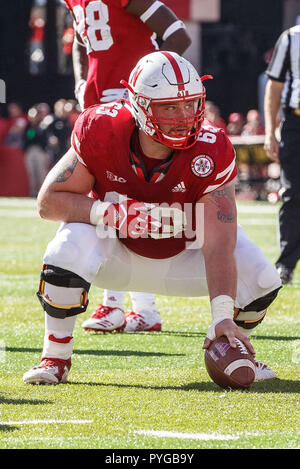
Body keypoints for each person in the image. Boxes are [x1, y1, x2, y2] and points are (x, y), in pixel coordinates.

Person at [23, 51, 281, 385]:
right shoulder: (101, 128)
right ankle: (55, 357)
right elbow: (48, 202)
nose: (184, 116)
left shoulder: (212, 147)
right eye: (170, 107)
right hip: (115, 255)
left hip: (184, 259)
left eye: (190, 104)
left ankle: (228, 345)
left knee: (263, 279)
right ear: (141, 105)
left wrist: (221, 316)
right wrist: (111, 213)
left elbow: (219, 243)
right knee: (67, 246)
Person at [64, 0, 192, 333]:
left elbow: (178, 35)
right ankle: (129, 307)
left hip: (131, 106)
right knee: (106, 202)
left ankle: (128, 306)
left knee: (128, 201)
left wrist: (146, 87)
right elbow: (81, 40)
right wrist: (82, 83)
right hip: (98, 105)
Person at [264, 24, 300, 285]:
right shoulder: (291, 37)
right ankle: (286, 264)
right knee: (293, 193)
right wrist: (269, 131)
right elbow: (274, 87)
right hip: (296, 121)